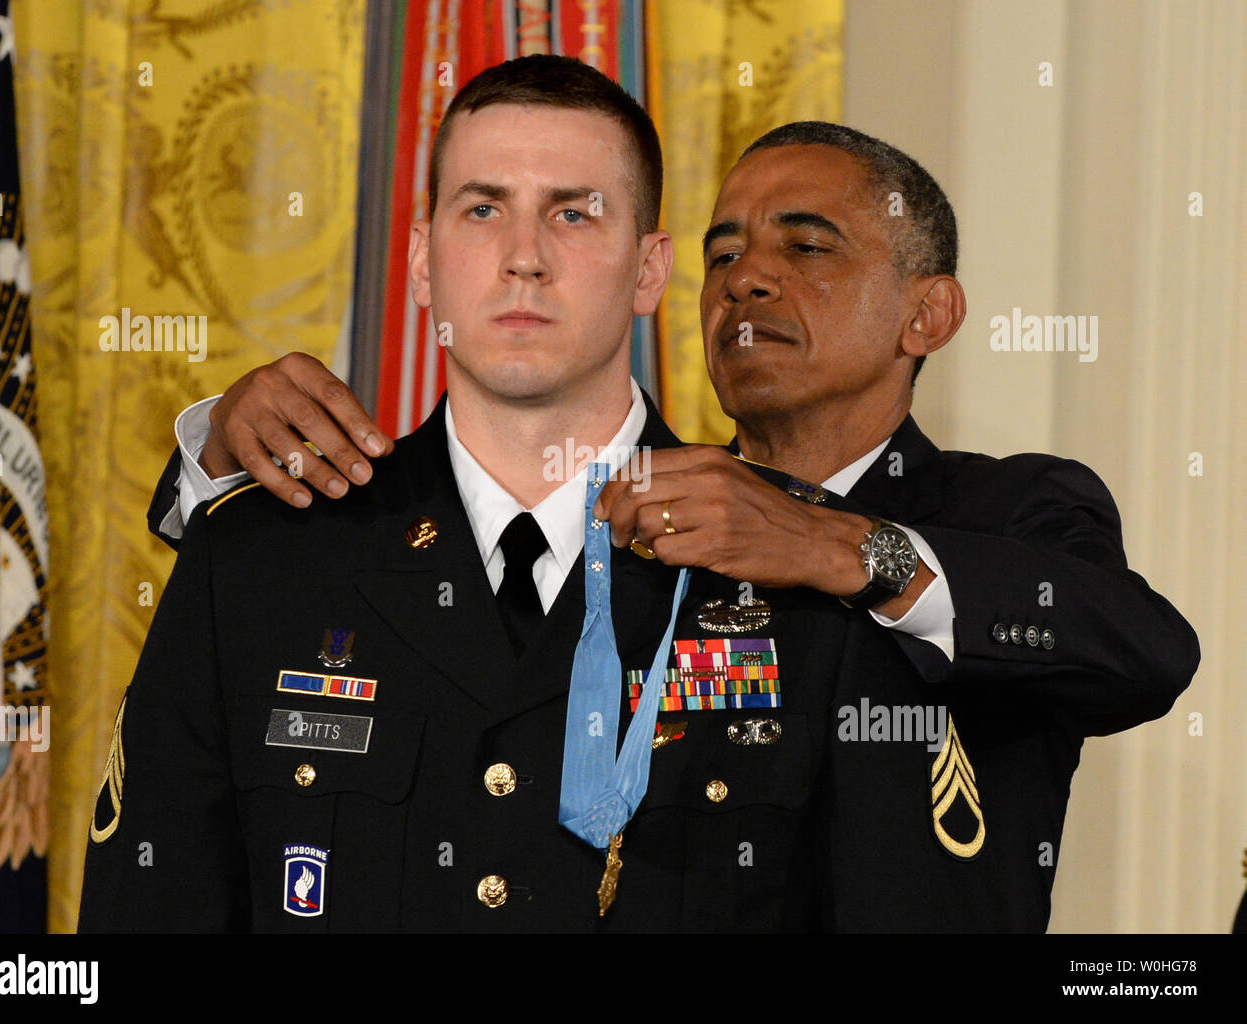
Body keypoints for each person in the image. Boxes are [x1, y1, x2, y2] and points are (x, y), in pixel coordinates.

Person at [157, 114, 1199, 931]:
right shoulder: (642, 516)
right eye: (723, 251)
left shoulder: (1003, 509)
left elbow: (1143, 648)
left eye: (808, 245)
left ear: (926, 313)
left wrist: (838, 546)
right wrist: (216, 452)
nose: (745, 276)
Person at [79, 56, 908, 933]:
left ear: (648, 270)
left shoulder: (800, 558)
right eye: (482, 210)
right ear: (423, 262)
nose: (524, 259)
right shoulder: (258, 558)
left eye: (573, 213)